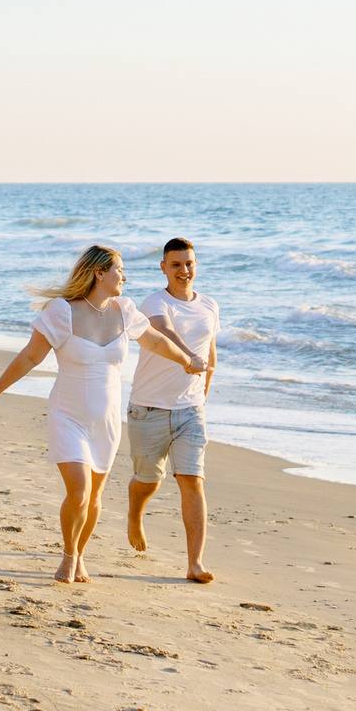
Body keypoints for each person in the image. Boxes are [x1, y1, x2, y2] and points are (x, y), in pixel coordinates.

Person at [0, 244, 208, 583]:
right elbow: (30, 356)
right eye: (119, 270)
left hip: (106, 420)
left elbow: (155, 342)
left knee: (95, 496)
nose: (125, 277)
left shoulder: (125, 310)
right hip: (68, 415)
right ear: (99, 274)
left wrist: (186, 360)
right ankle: (68, 556)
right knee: (79, 491)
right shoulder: (62, 311)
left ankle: (80, 554)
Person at [126, 237, 221, 582]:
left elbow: (211, 353)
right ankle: (135, 514)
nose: (184, 271)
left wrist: (203, 393)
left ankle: (195, 563)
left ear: (196, 265)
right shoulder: (155, 302)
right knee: (147, 481)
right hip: (148, 408)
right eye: (176, 264)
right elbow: (162, 331)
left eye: (189, 264)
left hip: (190, 410)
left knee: (192, 481)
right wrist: (187, 358)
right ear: (164, 267)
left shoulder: (209, 305)